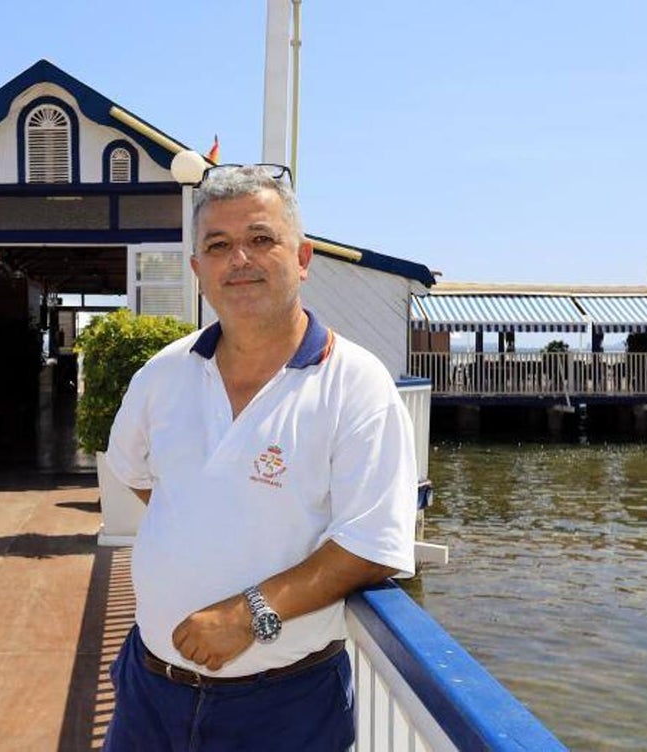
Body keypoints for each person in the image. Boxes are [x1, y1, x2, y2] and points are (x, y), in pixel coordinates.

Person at [102, 164, 418, 751]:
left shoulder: (354, 383)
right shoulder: (162, 374)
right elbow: (138, 475)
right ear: (199, 271)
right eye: (218, 246)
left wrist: (248, 614)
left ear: (302, 258)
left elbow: (373, 544)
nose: (238, 260)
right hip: (150, 689)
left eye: (260, 239)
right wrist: (209, 521)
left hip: (281, 706)